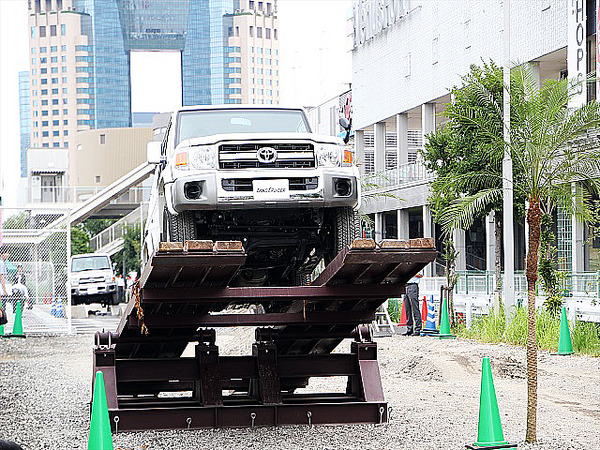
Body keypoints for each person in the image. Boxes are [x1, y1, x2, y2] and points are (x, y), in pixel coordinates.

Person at [403, 270, 423, 336]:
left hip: (413, 285)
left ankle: (418, 329)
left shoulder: (417, 266)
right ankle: (409, 329)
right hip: (405, 286)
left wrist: (411, 273)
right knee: (407, 309)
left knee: (415, 308)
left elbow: (420, 275)